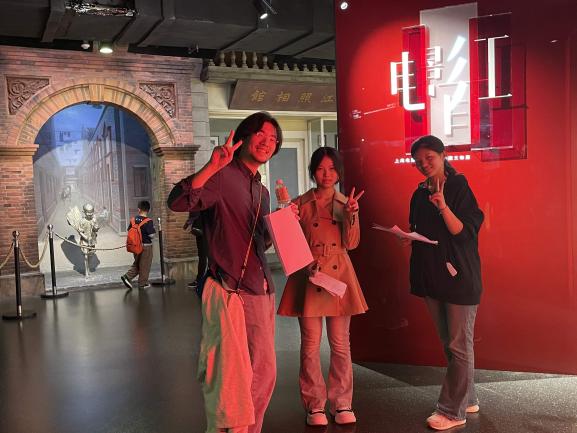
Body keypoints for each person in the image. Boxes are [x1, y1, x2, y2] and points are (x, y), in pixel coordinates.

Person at [167, 111, 284, 433]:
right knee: (231, 376)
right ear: (244, 137)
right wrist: (211, 166)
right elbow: (178, 201)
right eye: (261, 134)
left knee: (263, 373)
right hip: (230, 288)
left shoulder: (261, 191)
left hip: (261, 288)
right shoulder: (221, 176)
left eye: (274, 139)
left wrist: (285, 222)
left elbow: (261, 243)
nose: (267, 142)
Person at [278, 147, 367, 427]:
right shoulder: (299, 203)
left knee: (340, 344)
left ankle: (342, 402)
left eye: (332, 169)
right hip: (309, 274)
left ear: (339, 172)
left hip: (339, 276)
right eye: (320, 168)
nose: (326, 174)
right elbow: (290, 242)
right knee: (310, 344)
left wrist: (352, 215)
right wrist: (284, 213)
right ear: (312, 172)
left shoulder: (347, 203)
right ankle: (314, 404)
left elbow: (352, 244)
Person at [407, 135, 484, 431]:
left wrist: (442, 206)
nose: (424, 164)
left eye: (429, 158)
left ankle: (452, 411)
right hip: (431, 276)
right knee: (450, 344)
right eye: (418, 161)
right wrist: (408, 237)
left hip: (459, 277)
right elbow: (420, 229)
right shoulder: (418, 193)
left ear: (442, 155)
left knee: (459, 345)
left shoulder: (458, 186)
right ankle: (468, 397)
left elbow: (464, 233)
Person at [121, 200, 156, 291]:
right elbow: (152, 235)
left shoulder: (133, 220)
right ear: (148, 210)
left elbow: (129, 230)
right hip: (146, 247)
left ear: (139, 209)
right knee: (145, 265)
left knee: (137, 263)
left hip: (135, 246)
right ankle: (143, 284)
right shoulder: (148, 221)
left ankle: (127, 277)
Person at [183, 211, 208, 291]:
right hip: (202, 232)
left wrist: (188, 223)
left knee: (203, 257)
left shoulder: (201, 206)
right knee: (203, 257)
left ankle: (200, 281)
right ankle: (201, 280)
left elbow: (195, 213)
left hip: (204, 232)